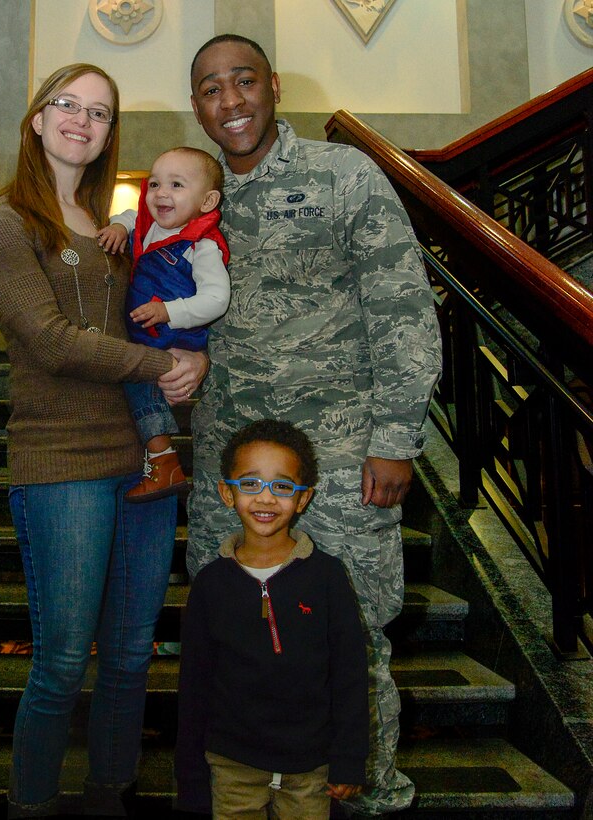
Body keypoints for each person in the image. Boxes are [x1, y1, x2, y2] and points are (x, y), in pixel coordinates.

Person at [163, 34, 443, 815]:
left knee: (353, 639)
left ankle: (373, 795)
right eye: (212, 90)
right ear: (198, 107)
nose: (231, 102)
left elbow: (404, 313)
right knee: (239, 641)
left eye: (243, 82)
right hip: (232, 469)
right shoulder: (195, 197)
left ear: (274, 87)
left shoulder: (342, 175)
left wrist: (396, 437)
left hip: (341, 462)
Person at [0, 63, 204, 819]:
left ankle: (111, 794)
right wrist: (161, 363)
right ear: (36, 119)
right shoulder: (3, 220)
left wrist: (193, 354)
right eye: (65, 104)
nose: (81, 119)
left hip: (142, 459)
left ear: (110, 134)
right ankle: (32, 804)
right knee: (65, 662)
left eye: (99, 112)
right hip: (61, 463)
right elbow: (49, 341)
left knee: (133, 655)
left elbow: (153, 311)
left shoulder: (120, 230)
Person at [175, 419, 369, 818]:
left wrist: (348, 759)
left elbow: (350, 674)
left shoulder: (328, 577)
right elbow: (194, 682)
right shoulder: (211, 584)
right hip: (232, 764)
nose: (265, 499)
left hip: (310, 767)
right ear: (227, 494)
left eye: (282, 486)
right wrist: (191, 776)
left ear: (303, 499)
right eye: (250, 484)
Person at [97, 147, 230, 503]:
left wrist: (171, 311)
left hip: (175, 335)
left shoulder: (201, 246)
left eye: (176, 184)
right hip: (147, 332)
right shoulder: (152, 226)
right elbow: (130, 214)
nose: (161, 193)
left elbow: (217, 299)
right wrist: (118, 227)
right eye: (154, 183)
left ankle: (163, 459)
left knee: (137, 380)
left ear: (207, 200)